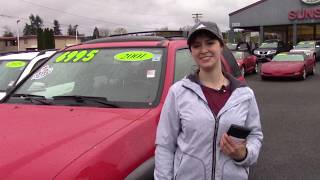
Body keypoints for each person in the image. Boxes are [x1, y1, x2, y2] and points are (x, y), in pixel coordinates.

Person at [154, 21, 263, 180]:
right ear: (191, 51)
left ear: (221, 46)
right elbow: (165, 146)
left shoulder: (244, 94)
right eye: (197, 46)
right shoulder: (178, 93)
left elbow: (255, 136)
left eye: (210, 43)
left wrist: (244, 154)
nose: (203, 50)